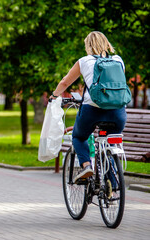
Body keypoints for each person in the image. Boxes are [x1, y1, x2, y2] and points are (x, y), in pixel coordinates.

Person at [49, 31, 127, 182]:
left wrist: (54, 96)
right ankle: (112, 181)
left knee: (78, 136)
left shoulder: (84, 61)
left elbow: (65, 82)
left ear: (88, 46)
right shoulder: (118, 60)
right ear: (106, 43)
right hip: (117, 112)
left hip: (92, 110)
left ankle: (86, 166)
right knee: (110, 140)